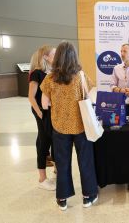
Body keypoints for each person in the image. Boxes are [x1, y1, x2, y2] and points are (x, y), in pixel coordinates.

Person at [40, 41, 98, 211]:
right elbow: (88, 96)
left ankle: (62, 199)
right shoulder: (80, 75)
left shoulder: (50, 78)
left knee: (63, 162)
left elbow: (44, 103)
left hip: (59, 127)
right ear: (74, 56)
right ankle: (88, 196)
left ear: (57, 57)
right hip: (81, 126)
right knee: (85, 161)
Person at [28, 45, 56, 191]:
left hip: (51, 111)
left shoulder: (51, 73)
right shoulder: (36, 73)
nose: (56, 56)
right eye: (53, 54)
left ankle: (56, 173)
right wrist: (40, 113)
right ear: (45, 57)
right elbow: (31, 97)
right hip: (41, 112)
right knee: (44, 141)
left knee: (53, 140)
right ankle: (42, 179)